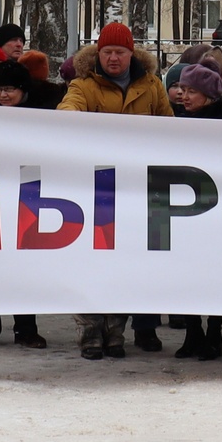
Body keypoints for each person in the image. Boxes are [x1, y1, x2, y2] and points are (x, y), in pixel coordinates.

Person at [54, 22, 183, 362]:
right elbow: (68, 110)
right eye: (107, 52)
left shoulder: (152, 86)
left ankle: (116, 331)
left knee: (124, 260)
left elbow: (169, 127)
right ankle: (90, 331)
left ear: (131, 53)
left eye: (119, 52)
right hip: (94, 188)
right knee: (91, 259)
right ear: (99, 54)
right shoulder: (83, 85)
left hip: (135, 188)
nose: (113, 58)